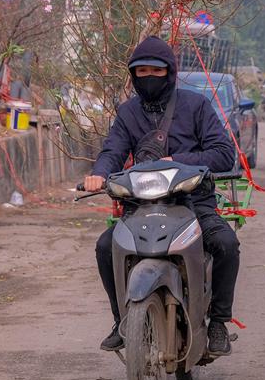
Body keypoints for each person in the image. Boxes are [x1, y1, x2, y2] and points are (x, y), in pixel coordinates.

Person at [84, 36, 239, 356]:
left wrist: (180, 162)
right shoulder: (127, 113)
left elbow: (223, 153)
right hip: (141, 206)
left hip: (193, 203)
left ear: (169, 73)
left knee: (226, 244)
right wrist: (98, 173)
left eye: (156, 71)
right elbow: (112, 151)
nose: (149, 77)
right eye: (142, 72)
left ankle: (219, 322)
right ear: (133, 76)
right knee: (104, 247)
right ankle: (121, 321)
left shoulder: (196, 106)